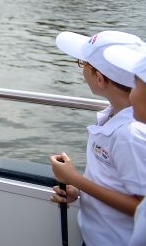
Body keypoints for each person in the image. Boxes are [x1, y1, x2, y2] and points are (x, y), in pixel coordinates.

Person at [49, 30, 146, 245]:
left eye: (83, 65)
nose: (82, 70)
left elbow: (140, 207)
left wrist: (75, 179)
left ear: (100, 79)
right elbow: (118, 184)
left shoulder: (131, 134)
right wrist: (82, 191)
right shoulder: (113, 114)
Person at [102, 43, 146, 246]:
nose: (131, 92)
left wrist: (74, 179)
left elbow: (136, 204)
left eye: (136, 84)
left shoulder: (130, 134)